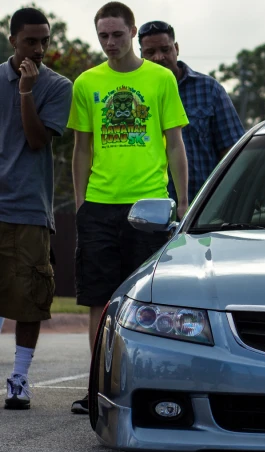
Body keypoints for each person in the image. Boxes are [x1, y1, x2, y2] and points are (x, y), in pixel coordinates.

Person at [67, 1, 189, 414]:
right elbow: (81, 149)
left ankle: (145, 386)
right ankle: (97, 388)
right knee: (99, 301)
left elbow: (175, 144)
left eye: (117, 34)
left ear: (133, 32)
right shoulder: (86, 83)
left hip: (149, 208)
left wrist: (183, 203)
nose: (110, 42)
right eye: (103, 35)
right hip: (100, 206)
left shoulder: (159, 79)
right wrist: (82, 203)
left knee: (149, 301)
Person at [1, 8, 73, 410]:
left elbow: (35, 141)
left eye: (45, 40)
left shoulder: (57, 86)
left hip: (30, 209)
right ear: (12, 40)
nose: (40, 48)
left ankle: (19, 380)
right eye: (31, 40)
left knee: (30, 296)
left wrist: (26, 92)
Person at [137, 21, 244, 203]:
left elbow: (232, 152)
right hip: (147, 206)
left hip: (203, 207)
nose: (158, 57)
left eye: (165, 49)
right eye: (150, 52)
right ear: (141, 55)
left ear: (176, 48)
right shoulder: (133, 95)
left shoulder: (209, 89)